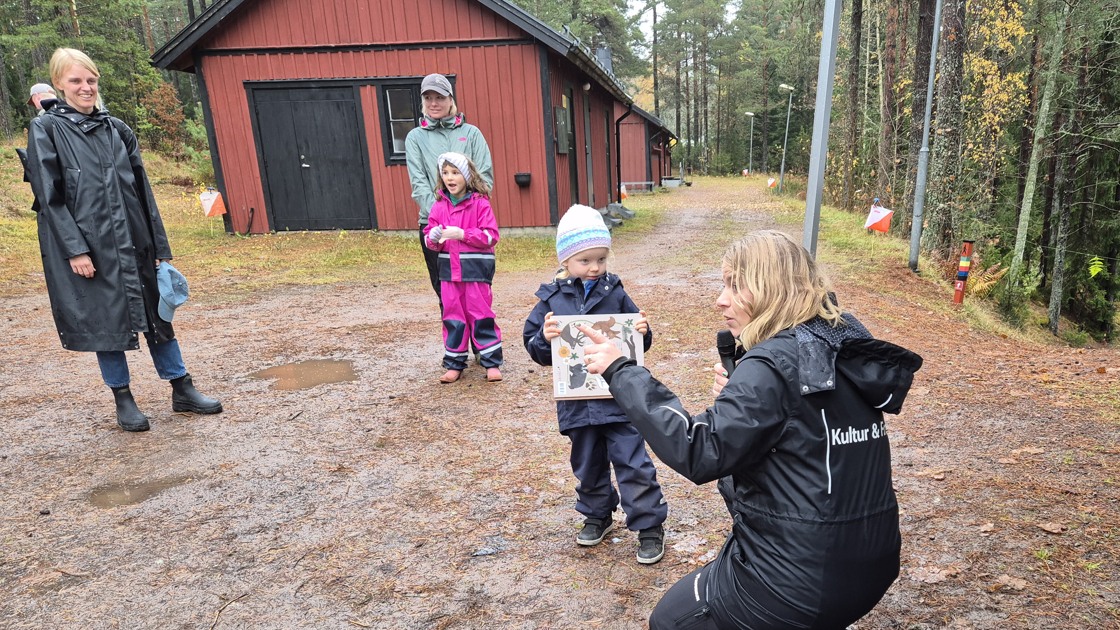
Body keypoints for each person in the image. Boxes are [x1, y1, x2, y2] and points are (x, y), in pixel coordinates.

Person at [580, 230, 923, 628]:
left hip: (796, 582)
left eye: (735, 285)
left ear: (771, 289)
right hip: (870, 565)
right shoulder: (842, 346)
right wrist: (743, 397)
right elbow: (795, 440)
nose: (720, 299)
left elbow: (699, 450)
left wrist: (620, 370)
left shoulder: (772, 364)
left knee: (671, 620)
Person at [24, 48, 222, 433]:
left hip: (136, 243)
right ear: (60, 84)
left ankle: (182, 387)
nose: (85, 88)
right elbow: (49, 197)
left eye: (91, 80)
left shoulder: (117, 129)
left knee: (158, 317)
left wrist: (161, 250)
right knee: (107, 322)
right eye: (76, 81)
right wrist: (75, 249)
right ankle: (123, 399)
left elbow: (144, 193)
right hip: (91, 249)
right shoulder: (46, 129)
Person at [523, 204, 668, 565]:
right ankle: (597, 515)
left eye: (601, 259)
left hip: (619, 402)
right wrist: (545, 337)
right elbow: (536, 349)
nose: (594, 268)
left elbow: (636, 342)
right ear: (566, 260)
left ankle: (649, 526)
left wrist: (642, 332)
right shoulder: (551, 300)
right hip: (577, 403)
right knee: (587, 463)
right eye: (585, 260)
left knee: (633, 463)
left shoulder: (615, 292)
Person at [405, 73, 494, 306]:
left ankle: (482, 341)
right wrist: (442, 214)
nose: (434, 103)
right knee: (447, 295)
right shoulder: (415, 138)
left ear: (450, 100)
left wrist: (465, 209)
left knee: (477, 291)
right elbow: (419, 183)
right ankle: (455, 343)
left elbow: (484, 178)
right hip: (435, 226)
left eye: (439, 97)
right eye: (428, 98)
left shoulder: (471, 134)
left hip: (471, 224)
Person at [423, 152, 504, 383]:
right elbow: (430, 239)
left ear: (467, 176)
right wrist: (434, 237)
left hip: (476, 271)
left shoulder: (480, 204)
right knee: (453, 316)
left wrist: (463, 234)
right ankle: (454, 364)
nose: (450, 177)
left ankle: (491, 362)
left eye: (455, 172)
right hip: (449, 272)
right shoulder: (439, 207)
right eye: (446, 173)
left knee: (480, 314)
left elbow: (491, 236)